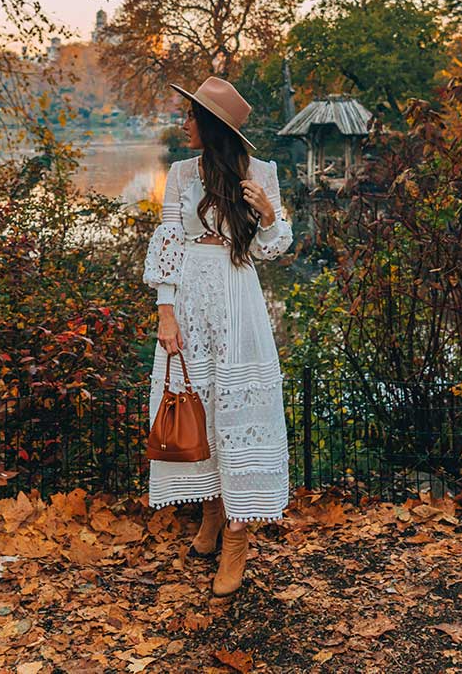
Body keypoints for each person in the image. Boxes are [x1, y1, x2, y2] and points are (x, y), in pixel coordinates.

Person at [143, 76, 293, 597]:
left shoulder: (260, 174)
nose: (183, 124)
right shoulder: (181, 173)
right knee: (198, 404)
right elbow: (167, 244)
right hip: (189, 300)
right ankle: (211, 510)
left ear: (210, 125)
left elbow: (272, 250)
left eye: (190, 117)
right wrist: (166, 313)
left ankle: (238, 534)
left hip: (236, 298)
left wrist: (270, 216)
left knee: (234, 408)